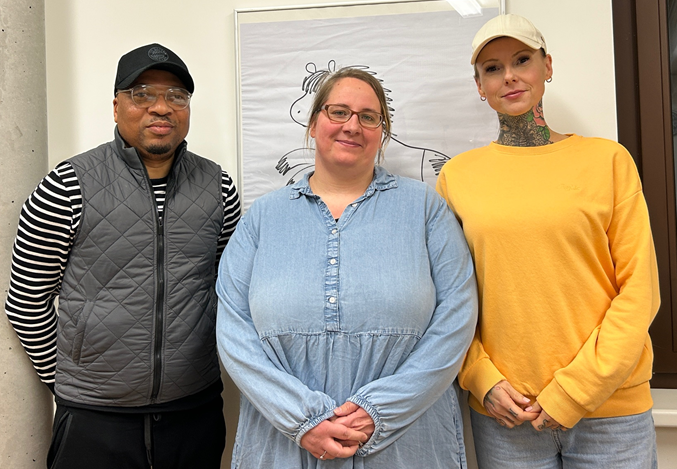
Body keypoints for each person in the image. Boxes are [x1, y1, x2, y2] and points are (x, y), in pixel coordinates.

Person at [215, 67, 478, 468]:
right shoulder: (263, 218)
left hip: (406, 442)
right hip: (282, 443)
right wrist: (302, 419)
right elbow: (234, 331)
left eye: (368, 117)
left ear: (382, 133)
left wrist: (380, 411)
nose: (352, 126)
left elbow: (457, 319)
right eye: (338, 112)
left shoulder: (425, 209)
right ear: (313, 123)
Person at [436, 14, 660, 469]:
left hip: (610, 411)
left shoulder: (608, 160)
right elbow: (447, 297)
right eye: (493, 68)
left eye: (522, 60)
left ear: (548, 66)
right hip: (507, 414)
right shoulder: (458, 176)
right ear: (479, 86)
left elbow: (640, 290)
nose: (509, 76)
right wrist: (480, 378)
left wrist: (575, 391)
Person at [4, 43, 241, 468]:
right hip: (94, 420)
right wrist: (69, 381)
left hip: (195, 413)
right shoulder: (66, 186)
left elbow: (232, 294)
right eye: (142, 94)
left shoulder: (219, 187)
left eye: (176, 96)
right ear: (116, 107)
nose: (161, 107)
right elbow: (26, 301)